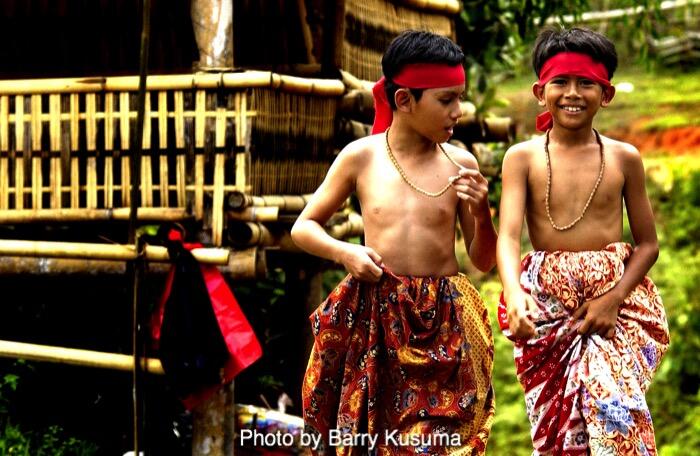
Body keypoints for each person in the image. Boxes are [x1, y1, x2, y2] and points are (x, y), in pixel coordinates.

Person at [291, 30, 497, 455]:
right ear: (404, 101)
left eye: (460, 97)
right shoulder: (361, 157)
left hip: (444, 321)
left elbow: (483, 260)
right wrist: (345, 252)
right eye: (446, 100)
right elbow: (304, 227)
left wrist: (482, 211)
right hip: (375, 317)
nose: (458, 111)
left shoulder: (461, 162)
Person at [497, 26, 670, 455]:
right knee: (560, 436)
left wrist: (613, 299)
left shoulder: (623, 158)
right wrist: (514, 294)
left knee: (618, 424)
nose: (572, 93)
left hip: (614, 310)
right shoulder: (522, 158)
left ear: (605, 94)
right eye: (560, 82)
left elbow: (648, 244)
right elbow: (508, 236)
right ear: (541, 91)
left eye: (586, 83)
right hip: (550, 313)